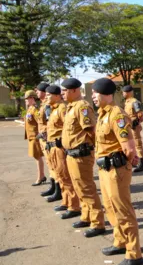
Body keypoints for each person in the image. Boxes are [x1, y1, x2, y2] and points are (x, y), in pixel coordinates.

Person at [92, 78, 143, 265]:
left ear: (105, 94)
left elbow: (129, 148)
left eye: (95, 93)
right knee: (110, 207)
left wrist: (125, 165)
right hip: (105, 169)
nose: (92, 97)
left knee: (123, 210)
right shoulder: (102, 114)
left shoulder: (117, 115)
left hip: (116, 170)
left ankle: (134, 253)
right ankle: (120, 241)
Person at [61, 78, 106, 237]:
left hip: (81, 154)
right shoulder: (71, 107)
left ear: (74, 90)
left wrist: (94, 149)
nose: (62, 93)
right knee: (79, 187)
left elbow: (91, 131)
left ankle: (97, 222)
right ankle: (86, 216)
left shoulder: (82, 107)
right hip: (71, 154)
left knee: (86, 188)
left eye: (65, 91)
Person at [45, 85, 82, 219]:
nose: (46, 97)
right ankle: (66, 201)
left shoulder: (62, 109)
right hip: (52, 147)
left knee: (66, 177)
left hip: (60, 147)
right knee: (60, 176)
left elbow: (67, 128)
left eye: (49, 95)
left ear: (56, 96)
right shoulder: (54, 109)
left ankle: (74, 206)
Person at [36, 83, 57, 197]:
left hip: (48, 138)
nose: (37, 92)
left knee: (53, 165)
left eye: (38, 90)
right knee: (50, 164)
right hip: (44, 139)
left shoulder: (48, 106)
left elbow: (50, 123)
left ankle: (57, 190)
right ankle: (53, 187)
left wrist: (43, 132)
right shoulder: (43, 104)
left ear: (44, 92)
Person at [24, 90, 45, 186]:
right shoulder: (30, 109)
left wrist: (40, 134)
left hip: (35, 136)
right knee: (36, 156)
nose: (26, 101)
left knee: (38, 157)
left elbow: (40, 122)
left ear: (32, 98)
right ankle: (42, 175)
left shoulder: (35, 109)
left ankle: (40, 177)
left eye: (27, 99)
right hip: (31, 136)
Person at [122, 85, 143, 172]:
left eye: (124, 92)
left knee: (137, 143)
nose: (123, 94)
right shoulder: (127, 102)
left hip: (134, 127)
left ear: (129, 92)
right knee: (131, 145)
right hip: (128, 126)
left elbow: (140, 116)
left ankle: (141, 164)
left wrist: (136, 123)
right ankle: (134, 161)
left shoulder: (134, 102)